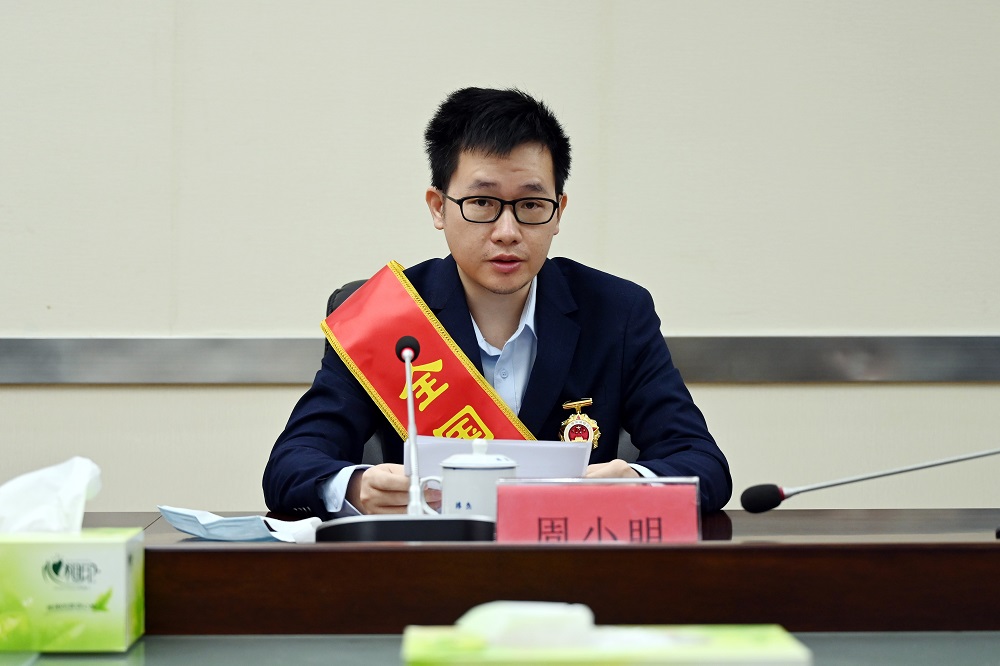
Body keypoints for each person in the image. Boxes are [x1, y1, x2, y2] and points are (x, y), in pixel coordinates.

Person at [263, 87, 731, 517]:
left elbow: (702, 463)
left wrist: (637, 483)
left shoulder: (617, 311)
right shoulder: (385, 318)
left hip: (568, 561)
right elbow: (290, 466)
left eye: (531, 206)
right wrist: (355, 486)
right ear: (438, 207)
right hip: (433, 561)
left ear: (559, 212)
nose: (507, 232)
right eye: (483, 203)